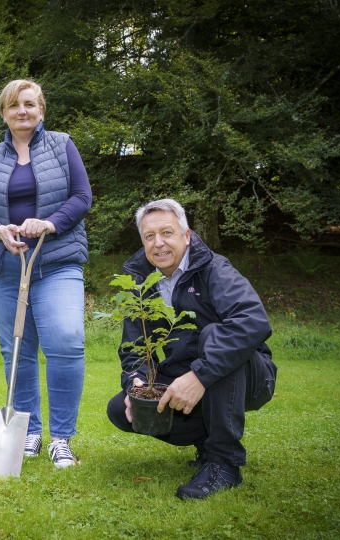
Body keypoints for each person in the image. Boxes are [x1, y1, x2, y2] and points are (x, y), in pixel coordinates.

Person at [106, 198, 277, 499]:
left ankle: (224, 463)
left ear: (186, 236)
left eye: (167, 233)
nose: (158, 243)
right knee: (122, 409)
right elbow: (135, 346)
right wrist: (136, 382)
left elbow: (253, 321)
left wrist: (199, 376)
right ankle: (207, 442)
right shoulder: (141, 283)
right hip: (190, 377)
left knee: (215, 336)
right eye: (149, 236)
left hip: (251, 377)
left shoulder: (214, 269)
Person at [0, 79, 92, 467]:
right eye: (14, 105)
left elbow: (82, 197)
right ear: (4, 112)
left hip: (56, 262)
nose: (23, 111)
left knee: (66, 343)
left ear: (42, 110)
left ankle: (62, 439)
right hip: (5, 266)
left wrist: (50, 224)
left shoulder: (61, 145)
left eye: (30, 104)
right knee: (16, 350)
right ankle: (29, 432)